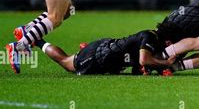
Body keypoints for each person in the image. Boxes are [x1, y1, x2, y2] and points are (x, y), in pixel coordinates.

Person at [29, 30, 175, 75]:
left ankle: (84, 50)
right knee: (67, 63)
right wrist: (165, 64)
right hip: (99, 55)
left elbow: (138, 65)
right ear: (167, 41)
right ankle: (38, 41)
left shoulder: (151, 40)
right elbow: (144, 60)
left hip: (106, 53)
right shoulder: (150, 37)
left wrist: (144, 70)